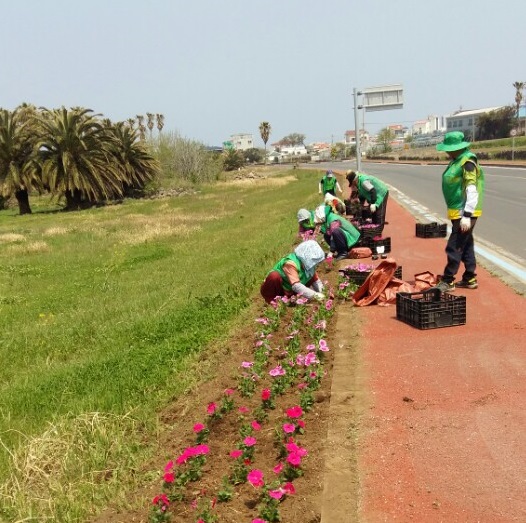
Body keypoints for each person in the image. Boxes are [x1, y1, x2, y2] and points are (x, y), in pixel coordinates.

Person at [433, 131, 485, 292]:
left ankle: (448, 280)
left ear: (457, 147)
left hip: (465, 212)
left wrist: (467, 215)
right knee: (466, 244)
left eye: (449, 149)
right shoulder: (456, 160)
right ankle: (470, 277)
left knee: (454, 245)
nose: (447, 152)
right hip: (458, 211)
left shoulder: (468, 162)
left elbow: (472, 189)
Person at [260, 240, 326, 304]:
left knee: (310, 277)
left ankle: (290, 299)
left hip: (290, 290)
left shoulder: (308, 265)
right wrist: (315, 296)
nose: (315, 265)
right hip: (280, 288)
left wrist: (323, 293)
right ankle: (273, 302)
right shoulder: (291, 263)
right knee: (274, 276)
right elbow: (296, 286)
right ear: (307, 257)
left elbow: (315, 280)